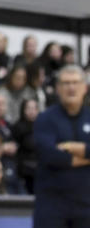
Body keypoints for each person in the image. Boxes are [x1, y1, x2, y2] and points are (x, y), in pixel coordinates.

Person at [33, 65, 90, 227]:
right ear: (57, 88)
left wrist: (74, 147)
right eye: (66, 83)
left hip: (86, 205)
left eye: (75, 82)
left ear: (84, 87)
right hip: (52, 205)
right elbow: (49, 155)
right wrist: (87, 155)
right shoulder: (45, 119)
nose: (71, 87)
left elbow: (61, 155)